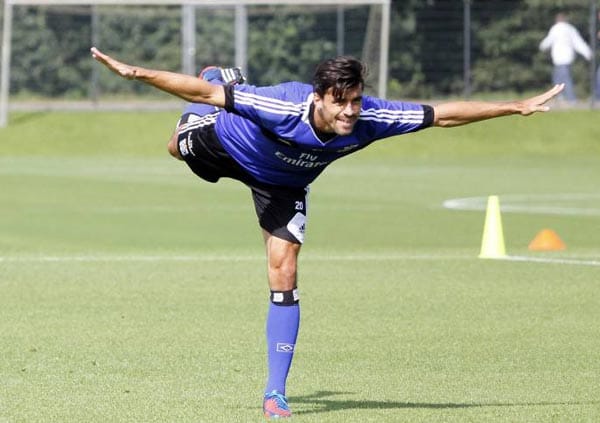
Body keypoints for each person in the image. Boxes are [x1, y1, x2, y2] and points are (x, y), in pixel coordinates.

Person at [90, 46, 563, 419]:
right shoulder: (281, 106)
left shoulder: (370, 118)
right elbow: (196, 92)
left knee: (285, 271)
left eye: (356, 100)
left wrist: (514, 106)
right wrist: (137, 74)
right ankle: (223, 74)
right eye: (341, 102)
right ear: (319, 96)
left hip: (284, 184)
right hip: (228, 142)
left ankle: (275, 392)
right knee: (175, 146)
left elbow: (441, 114)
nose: (351, 112)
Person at [539, 12, 592, 102]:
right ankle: (560, 98)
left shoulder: (555, 28)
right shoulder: (570, 28)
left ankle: (571, 99)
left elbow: (548, 40)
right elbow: (578, 43)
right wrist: (587, 53)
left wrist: (541, 46)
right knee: (557, 78)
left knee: (564, 80)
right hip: (567, 58)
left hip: (559, 58)